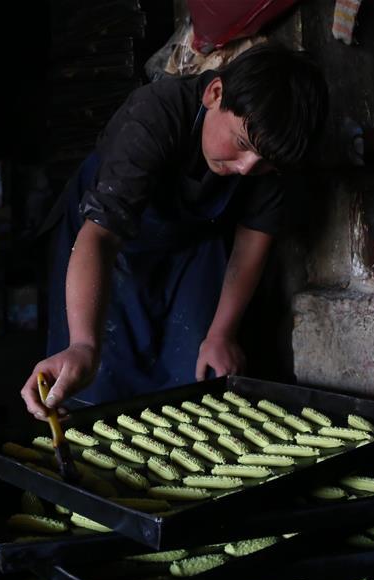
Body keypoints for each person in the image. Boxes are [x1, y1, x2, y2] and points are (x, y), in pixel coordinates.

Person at [21, 44, 328, 419]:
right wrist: (83, 345)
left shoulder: (270, 159)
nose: (247, 167)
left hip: (191, 246)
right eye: (241, 144)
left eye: (264, 163)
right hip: (108, 245)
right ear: (215, 93)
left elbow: (251, 243)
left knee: (194, 381)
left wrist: (221, 333)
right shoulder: (155, 115)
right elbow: (100, 235)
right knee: (98, 383)